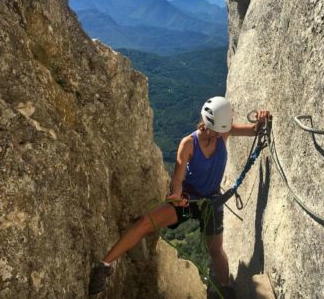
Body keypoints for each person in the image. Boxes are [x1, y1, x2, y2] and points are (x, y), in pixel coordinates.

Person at [88, 96, 270, 296]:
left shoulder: (223, 132)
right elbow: (178, 177)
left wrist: (261, 119)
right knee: (145, 224)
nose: (219, 135)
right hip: (188, 199)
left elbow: (253, 131)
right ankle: (104, 265)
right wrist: (175, 195)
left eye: (221, 131)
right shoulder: (189, 144)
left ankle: (226, 287)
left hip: (211, 202)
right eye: (216, 130)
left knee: (216, 250)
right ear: (206, 122)